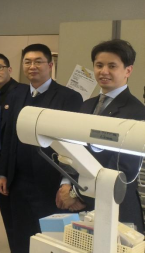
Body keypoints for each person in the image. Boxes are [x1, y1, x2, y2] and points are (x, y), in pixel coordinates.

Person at [0, 44, 83, 253]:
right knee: (19, 234)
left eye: (38, 61)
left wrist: (67, 182)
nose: (32, 66)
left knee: (49, 238)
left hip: (50, 183)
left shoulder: (68, 97)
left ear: (50, 65)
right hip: (19, 180)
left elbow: (72, 143)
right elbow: (9, 136)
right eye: (27, 62)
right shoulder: (16, 94)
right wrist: (4, 173)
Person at [57, 39, 145, 233]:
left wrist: (78, 194)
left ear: (128, 70)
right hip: (83, 204)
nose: (104, 71)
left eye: (112, 66)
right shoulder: (86, 105)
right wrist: (66, 183)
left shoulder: (137, 111)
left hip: (116, 204)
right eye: (99, 65)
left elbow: (124, 167)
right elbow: (72, 147)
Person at [0, 53, 27, 253]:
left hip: (16, 165)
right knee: (8, 216)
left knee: (19, 218)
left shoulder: (23, 92)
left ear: (9, 69)